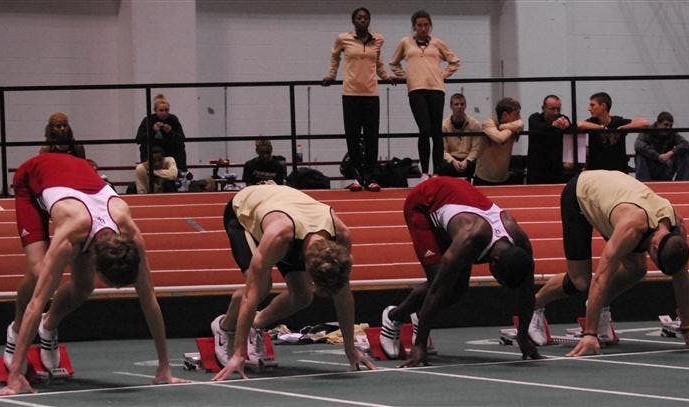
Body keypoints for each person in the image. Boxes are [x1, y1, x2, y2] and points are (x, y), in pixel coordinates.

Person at [0, 152, 188, 396]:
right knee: (39, 274)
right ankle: (16, 330)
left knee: (84, 287)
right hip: (33, 178)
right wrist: (15, 377)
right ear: (94, 260)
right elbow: (37, 303)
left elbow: (149, 300)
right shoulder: (69, 237)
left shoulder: (131, 234)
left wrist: (164, 367)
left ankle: (48, 326)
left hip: (77, 176)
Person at [530, 170, 689, 356]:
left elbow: (681, 278)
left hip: (615, 193)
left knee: (637, 269)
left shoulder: (677, 228)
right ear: (655, 248)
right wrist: (590, 333)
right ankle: (533, 306)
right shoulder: (631, 228)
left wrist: (687, 325)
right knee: (580, 281)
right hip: (581, 194)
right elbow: (601, 277)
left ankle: (600, 310)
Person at [211, 185, 375, 380]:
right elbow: (250, 294)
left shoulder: (341, 236)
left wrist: (350, 348)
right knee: (262, 286)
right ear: (308, 266)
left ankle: (254, 324)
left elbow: (343, 293)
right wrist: (238, 354)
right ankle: (225, 327)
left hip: (291, 216)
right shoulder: (278, 236)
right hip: (244, 208)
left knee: (303, 296)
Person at [379, 177, 542, 367]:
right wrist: (419, 345)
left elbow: (527, 291)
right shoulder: (468, 240)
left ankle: (420, 315)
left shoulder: (520, 242)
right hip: (423, 204)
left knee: (459, 290)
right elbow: (436, 290)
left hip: (457, 196)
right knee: (442, 283)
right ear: (494, 262)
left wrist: (523, 336)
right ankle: (393, 317)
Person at [323, 7, 395, 192]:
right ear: (353, 21)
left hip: (371, 94)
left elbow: (377, 63)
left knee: (372, 137)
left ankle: (370, 177)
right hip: (351, 94)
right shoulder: (343, 39)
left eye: (365, 18)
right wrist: (331, 75)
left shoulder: (378, 40)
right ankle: (356, 177)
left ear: (369, 21)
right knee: (353, 137)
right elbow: (334, 56)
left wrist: (386, 76)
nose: (362, 20)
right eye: (359, 18)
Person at [390, 10, 461, 177]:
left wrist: (442, 75)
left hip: (436, 90)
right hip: (416, 90)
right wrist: (406, 77)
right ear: (414, 27)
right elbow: (394, 63)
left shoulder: (437, 43)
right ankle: (424, 172)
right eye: (419, 25)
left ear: (430, 26)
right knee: (424, 128)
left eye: (426, 25)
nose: (423, 28)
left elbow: (454, 61)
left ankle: (437, 171)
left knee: (436, 131)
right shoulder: (405, 43)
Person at [578, 92, 649, 173]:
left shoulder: (618, 121)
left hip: (618, 171)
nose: (589, 109)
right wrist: (601, 127)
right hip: (597, 172)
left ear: (603, 106)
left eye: (592, 105)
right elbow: (579, 124)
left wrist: (623, 128)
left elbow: (645, 123)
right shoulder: (592, 122)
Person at [472, 97, 524, 185]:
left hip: (503, 178)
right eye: (516, 114)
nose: (519, 117)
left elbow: (521, 123)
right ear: (505, 115)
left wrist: (503, 127)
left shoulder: (516, 124)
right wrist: (509, 128)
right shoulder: (488, 123)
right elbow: (500, 138)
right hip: (483, 179)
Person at [135, 94, 187, 174]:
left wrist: (170, 132)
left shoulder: (173, 119)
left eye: (166, 110)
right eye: (161, 110)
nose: (164, 113)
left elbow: (182, 138)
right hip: (153, 155)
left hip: (170, 153)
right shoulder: (148, 120)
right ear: (155, 110)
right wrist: (152, 131)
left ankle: (181, 171)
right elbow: (138, 139)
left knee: (180, 145)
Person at [634, 112, 689, 181]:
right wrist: (658, 156)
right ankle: (645, 182)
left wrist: (670, 153)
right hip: (652, 168)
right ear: (658, 123)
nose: (668, 128)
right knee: (640, 154)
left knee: (683, 153)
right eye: (666, 125)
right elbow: (638, 145)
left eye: (670, 125)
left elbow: (686, 144)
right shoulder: (648, 131)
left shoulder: (672, 133)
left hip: (666, 167)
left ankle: (683, 183)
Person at [526, 95, 572, 184]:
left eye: (558, 109)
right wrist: (553, 125)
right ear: (543, 108)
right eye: (552, 109)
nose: (556, 112)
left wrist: (567, 125)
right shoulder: (535, 118)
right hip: (537, 170)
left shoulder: (562, 118)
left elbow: (569, 125)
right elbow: (538, 127)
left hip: (556, 169)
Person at [436, 93, 480, 178]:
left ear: (465, 106)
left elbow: (476, 149)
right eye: (456, 104)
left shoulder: (475, 124)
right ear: (451, 106)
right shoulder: (443, 125)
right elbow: (443, 150)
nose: (459, 107)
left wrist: (466, 161)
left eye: (462, 104)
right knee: (439, 163)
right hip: (452, 160)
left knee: (480, 163)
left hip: (468, 159)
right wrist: (453, 161)